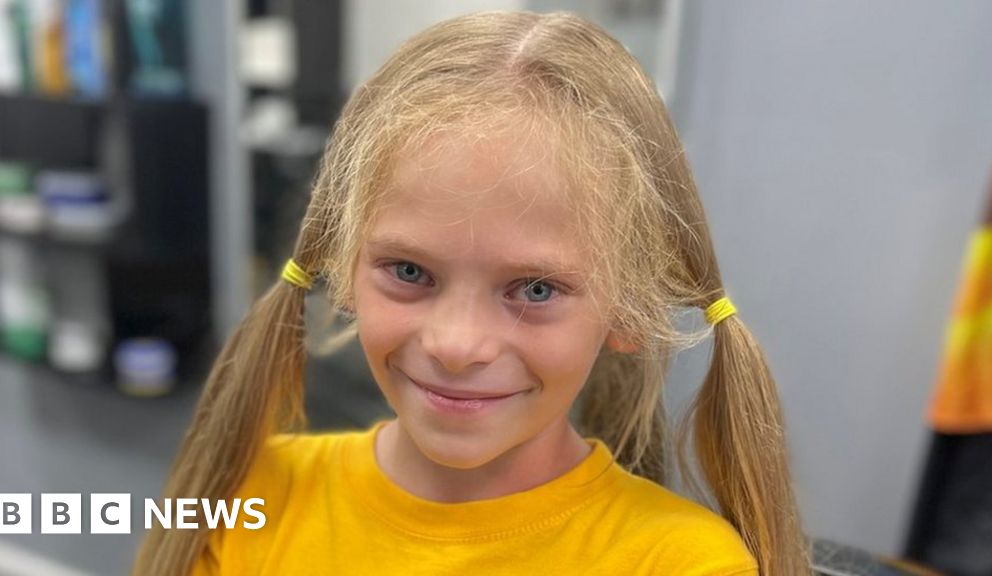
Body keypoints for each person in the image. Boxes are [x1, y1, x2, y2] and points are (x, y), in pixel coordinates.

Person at [132, 10, 810, 576]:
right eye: (408, 272)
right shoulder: (249, 494)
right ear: (343, 266)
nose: (457, 346)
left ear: (627, 307)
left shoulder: (681, 563)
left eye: (536, 288)